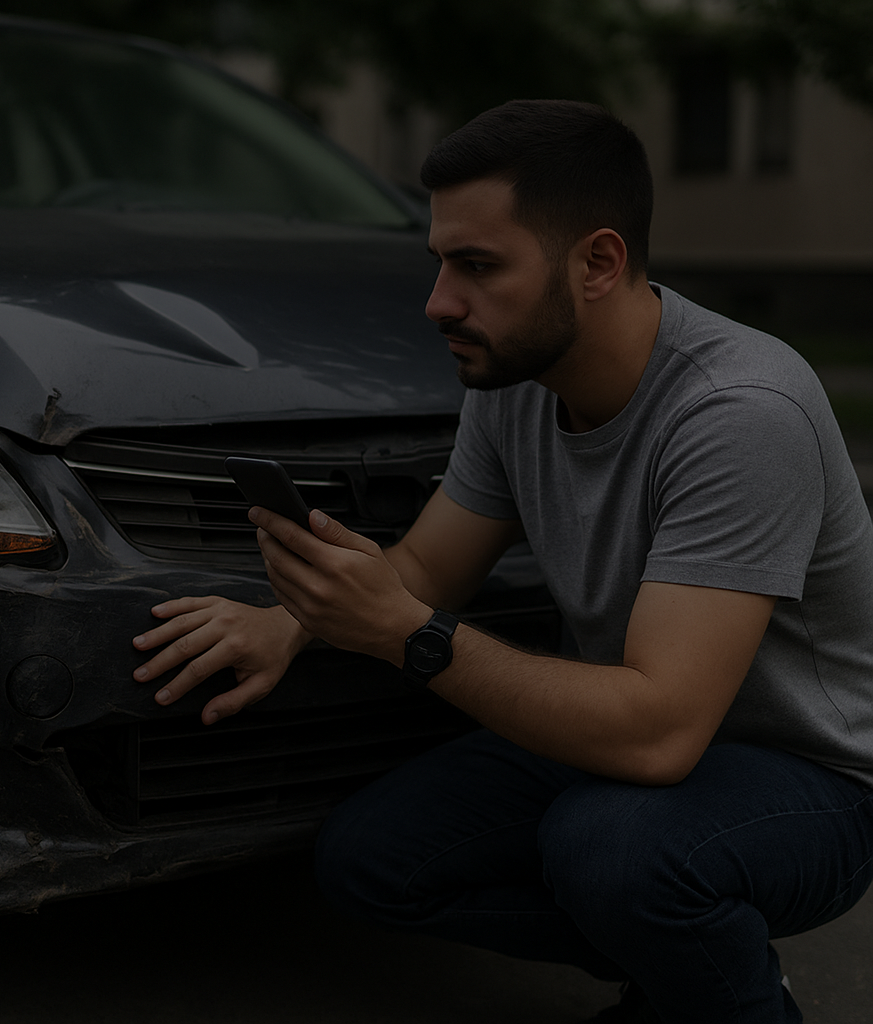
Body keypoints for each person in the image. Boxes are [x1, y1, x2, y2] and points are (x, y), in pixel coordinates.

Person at [130, 99, 873, 1023]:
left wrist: (407, 636)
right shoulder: (521, 377)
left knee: (612, 850)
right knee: (373, 861)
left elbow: (658, 733)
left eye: (478, 266)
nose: (440, 301)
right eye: (441, 261)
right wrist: (294, 621)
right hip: (617, 735)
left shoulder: (740, 413)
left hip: (806, 781)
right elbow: (433, 568)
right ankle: (697, 961)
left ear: (597, 262)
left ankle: (727, 993)